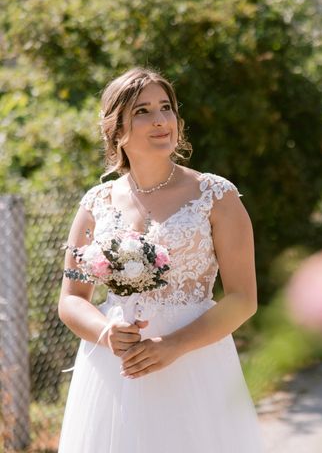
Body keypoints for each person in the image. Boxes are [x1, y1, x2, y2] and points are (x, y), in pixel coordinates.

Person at [57, 67, 265, 452]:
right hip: (115, 368)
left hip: (195, 363)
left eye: (165, 108)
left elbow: (243, 299)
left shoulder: (216, 196)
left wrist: (173, 346)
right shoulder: (94, 205)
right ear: (116, 129)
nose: (160, 121)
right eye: (142, 111)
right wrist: (105, 333)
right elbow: (71, 299)